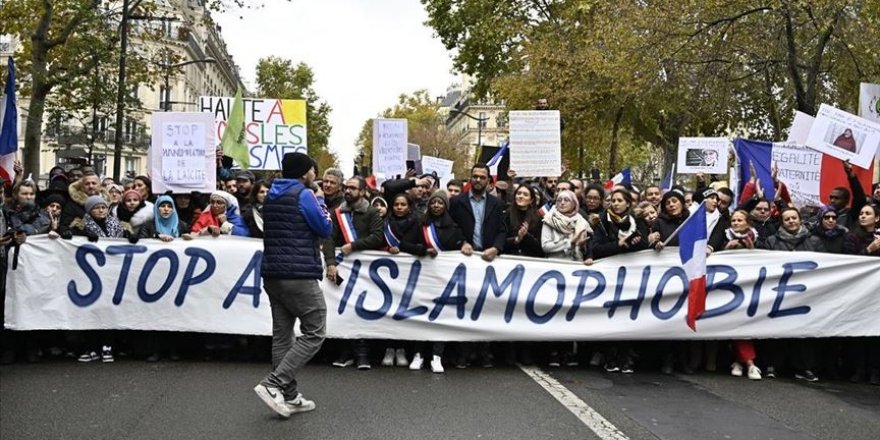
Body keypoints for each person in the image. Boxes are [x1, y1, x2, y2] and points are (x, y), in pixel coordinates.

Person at [254, 152, 332, 418]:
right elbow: (324, 228)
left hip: (272, 272)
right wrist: (321, 200)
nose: (315, 174)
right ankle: (273, 384)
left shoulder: (272, 194)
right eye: (312, 169)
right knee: (315, 331)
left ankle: (289, 396)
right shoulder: (305, 194)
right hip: (298, 273)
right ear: (304, 171)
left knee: (283, 335)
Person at [448, 163, 507, 368]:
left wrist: (497, 248)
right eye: (475, 176)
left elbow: (502, 230)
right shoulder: (457, 202)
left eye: (482, 177)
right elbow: (451, 226)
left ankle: (484, 352)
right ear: (470, 178)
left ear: (488, 180)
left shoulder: (496, 204)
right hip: (465, 260)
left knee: (486, 306)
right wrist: (461, 242)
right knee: (465, 306)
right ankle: (463, 352)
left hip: (487, 261)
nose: (478, 180)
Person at [323, 176, 383, 370]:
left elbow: (377, 237)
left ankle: (363, 354)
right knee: (344, 309)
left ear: (363, 192)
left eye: (352, 188)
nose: (348, 191)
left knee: (363, 309)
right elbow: (329, 239)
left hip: (365, 271)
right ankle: (345, 351)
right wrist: (331, 263)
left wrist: (354, 246)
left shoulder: (372, 212)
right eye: (346, 188)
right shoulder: (337, 213)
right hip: (344, 268)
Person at [760, 207, 825, 382]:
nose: (791, 221)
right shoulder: (771, 242)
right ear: (782, 222)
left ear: (799, 219)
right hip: (779, 294)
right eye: (787, 219)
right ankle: (772, 365)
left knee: (803, 333)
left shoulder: (815, 241)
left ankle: (804, 368)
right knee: (776, 330)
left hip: (806, 293)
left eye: (794, 218)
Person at [410, 189, 465, 373]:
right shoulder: (420, 225)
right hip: (422, 276)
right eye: (433, 202)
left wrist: (464, 245)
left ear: (445, 206)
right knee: (420, 314)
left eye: (440, 202)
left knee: (439, 316)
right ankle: (418, 354)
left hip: (444, 279)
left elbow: (460, 244)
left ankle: (437, 355)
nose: (436, 205)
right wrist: (422, 250)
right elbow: (405, 244)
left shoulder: (455, 227)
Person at [720, 210, 763, 380]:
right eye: (733, 220)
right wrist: (725, 249)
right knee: (737, 325)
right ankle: (751, 365)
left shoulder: (757, 238)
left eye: (740, 220)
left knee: (746, 326)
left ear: (748, 223)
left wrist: (751, 249)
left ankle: (739, 361)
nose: (736, 223)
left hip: (752, 288)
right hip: (730, 289)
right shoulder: (724, 237)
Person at [842, 204, 880, 385]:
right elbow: (849, 262)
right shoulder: (852, 237)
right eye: (861, 213)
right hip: (860, 292)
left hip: (877, 293)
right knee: (859, 332)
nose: (863, 216)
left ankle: (875, 370)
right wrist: (869, 250)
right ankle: (859, 369)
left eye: (868, 214)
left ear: (877, 218)